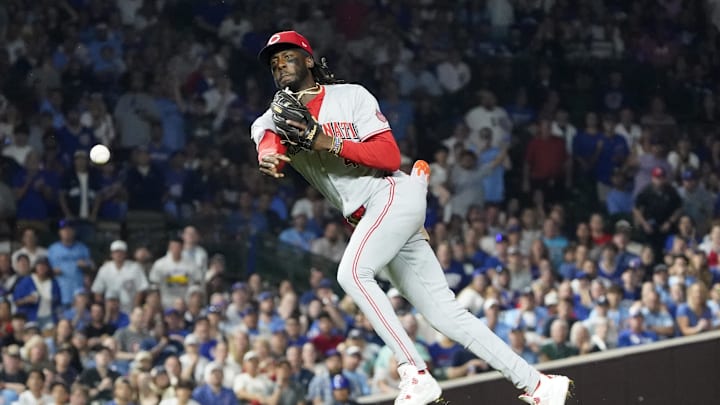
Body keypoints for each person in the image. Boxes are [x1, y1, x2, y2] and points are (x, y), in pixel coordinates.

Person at [252, 31, 570, 405]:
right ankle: (539, 386)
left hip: (389, 192)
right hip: (377, 214)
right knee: (444, 313)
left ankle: (414, 372)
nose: (279, 66)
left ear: (308, 60)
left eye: (286, 57)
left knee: (352, 273)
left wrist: (329, 142)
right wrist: (269, 155)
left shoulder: (351, 95)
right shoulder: (272, 118)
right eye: (273, 63)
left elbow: (388, 156)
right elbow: (267, 141)